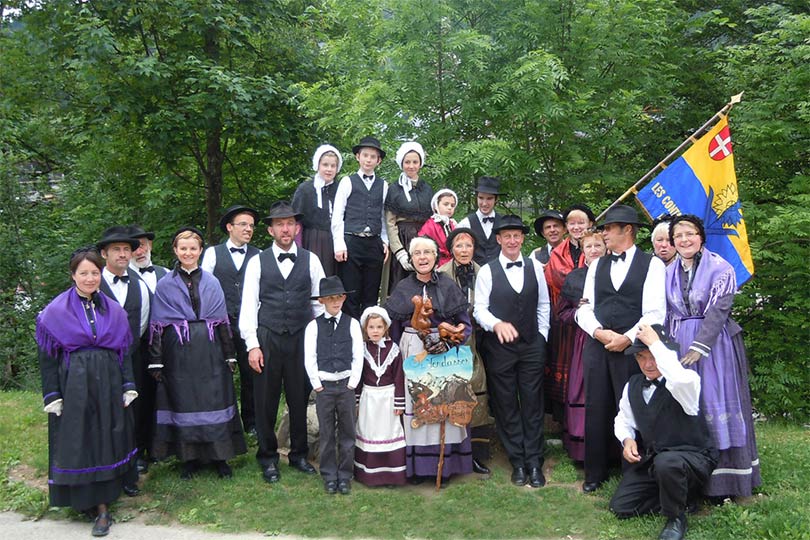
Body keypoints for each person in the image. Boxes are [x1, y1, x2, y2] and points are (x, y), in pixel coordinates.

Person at [37, 247, 138, 537]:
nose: (90, 278)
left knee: (105, 438)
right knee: (81, 441)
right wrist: (52, 394)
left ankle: (103, 507)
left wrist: (127, 384)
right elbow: (48, 357)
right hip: (74, 386)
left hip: (107, 383)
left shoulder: (112, 309)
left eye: (95, 272)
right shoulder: (55, 311)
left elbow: (123, 351)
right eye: (84, 273)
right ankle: (83, 500)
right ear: (73, 275)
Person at [665, 214, 760, 498]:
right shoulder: (667, 271)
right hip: (679, 341)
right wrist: (669, 347)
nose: (684, 239)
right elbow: (666, 311)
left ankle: (726, 482)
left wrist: (699, 346)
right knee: (688, 404)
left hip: (713, 344)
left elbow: (719, 311)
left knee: (714, 400)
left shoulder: (720, 267)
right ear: (673, 242)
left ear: (701, 237)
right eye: (679, 236)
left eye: (690, 233)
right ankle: (692, 477)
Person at [576, 204, 666, 493]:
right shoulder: (597, 264)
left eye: (608, 229)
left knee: (633, 407)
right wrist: (600, 333)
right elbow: (584, 308)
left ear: (627, 230)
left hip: (633, 349)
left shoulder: (651, 264)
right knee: (597, 406)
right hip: (597, 347)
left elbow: (655, 312)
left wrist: (626, 338)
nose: (603, 234)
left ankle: (635, 471)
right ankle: (595, 472)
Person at [149, 227, 246, 480]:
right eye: (183, 248)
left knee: (214, 400)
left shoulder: (213, 282)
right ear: (175, 251)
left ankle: (220, 457)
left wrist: (230, 354)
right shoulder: (164, 285)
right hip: (178, 354)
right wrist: (156, 362)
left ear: (200, 251)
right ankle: (189, 458)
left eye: (193, 248)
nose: (188, 252)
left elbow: (222, 322)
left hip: (211, 351)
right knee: (184, 401)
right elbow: (157, 326)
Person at [240, 201, 326, 483]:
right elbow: (249, 305)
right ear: (270, 230)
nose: (285, 228)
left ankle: (299, 454)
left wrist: (320, 337)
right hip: (268, 336)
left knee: (299, 398)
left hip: (301, 336)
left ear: (297, 228)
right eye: (280, 224)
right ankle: (268, 457)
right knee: (265, 400)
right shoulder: (257, 262)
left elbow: (319, 302)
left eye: (289, 223)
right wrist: (252, 344)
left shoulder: (311, 260)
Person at [610, 323, 718, 540]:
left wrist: (656, 344)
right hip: (657, 461)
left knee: (667, 463)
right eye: (641, 357)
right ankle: (682, 497)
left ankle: (676, 517)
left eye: (653, 356)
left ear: (665, 353)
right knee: (621, 506)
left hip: (692, 458)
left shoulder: (686, 381)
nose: (648, 364)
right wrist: (627, 439)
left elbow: (678, 378)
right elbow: (623, 419)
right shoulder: (633, 384)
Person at [385, 236, 472, 483]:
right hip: (413, 352)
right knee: (418, 407)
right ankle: (416, 469)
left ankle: (442, 468)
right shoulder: (402, 288)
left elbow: (465, 325)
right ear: (411, 259)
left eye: (427, 252)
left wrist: (450, 341)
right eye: (417, 254)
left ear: (436, 257)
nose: (422, 257)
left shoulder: (447, 285)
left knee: (441, 408)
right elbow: (393, 330)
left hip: (443, 354)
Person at [474, 215, 551, 488]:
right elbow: (479, 309)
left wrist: (542, 336)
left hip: (531, 345)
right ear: (498, 239)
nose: (512, 240)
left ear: (522, 239)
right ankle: (517, 460)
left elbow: (544, 305)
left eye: (517, 235)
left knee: (532, 403)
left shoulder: (535, 267)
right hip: (500, 349)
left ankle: (534, 461)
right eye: (507, 236)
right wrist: (496, 324)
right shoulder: (487, 271)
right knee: (506, 405)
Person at [97, 226, 150, 491]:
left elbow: (142, 321)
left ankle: (135, 458)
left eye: (126, 249)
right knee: (107, 412)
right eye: (116, 249)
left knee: (135, 410)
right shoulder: (93, 283)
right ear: (104, 253)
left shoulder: (139, 284)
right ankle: (108, 464)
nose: (122, 254)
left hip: (133, 356)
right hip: (101, 361)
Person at [201, 204, 261, 435]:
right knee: (219, 373)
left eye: (251, 226)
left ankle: (252, 423)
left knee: (251, 374)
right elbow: (204, 289)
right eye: (243, 224)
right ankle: (222, 421)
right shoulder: (213, 254)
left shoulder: (259, 255)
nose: (248, 229)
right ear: (229, 227)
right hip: (220, 326)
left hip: (249, 325)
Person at [438, 227, 494, 474]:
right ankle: (451, 454)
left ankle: (477, 455)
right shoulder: (440, 274)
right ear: (451, 249)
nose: (464, 250)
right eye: (459, 246)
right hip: (450, 342)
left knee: (478, 392)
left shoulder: (484, 273)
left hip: (480, 339)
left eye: (468, 246)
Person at [304, 276, 363, 495]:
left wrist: (353, 383)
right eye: (330, 299)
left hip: (346, 385)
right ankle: (329, 475)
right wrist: (317, 384)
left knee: (348, 433)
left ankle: (345, 475)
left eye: (339, 298)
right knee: (327, 433)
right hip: (325, 388)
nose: (335, 302)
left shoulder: (352, 324)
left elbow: (358, 355)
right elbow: (309, 357)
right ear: (322, 301)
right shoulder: (313, 327)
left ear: (344, 298)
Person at [557, 230, 606, 462]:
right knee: (583, 388)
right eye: (589, 246)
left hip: (612, 338)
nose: (594, 250)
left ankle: (612, 450)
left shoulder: (615, 273)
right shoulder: (575, 278)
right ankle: (582, 450)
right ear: (583, 250)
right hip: (583, 340)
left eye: (598, 245)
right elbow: (562, 313)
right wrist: (579, 310)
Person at [543, 205, 595, 423]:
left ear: (590, 224)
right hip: (563, 321)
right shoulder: (556, 254)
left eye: (581, 222)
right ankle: (564, 422)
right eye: (572, 223)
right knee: (564, 371)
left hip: (593, 322)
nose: (576, 227)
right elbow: (549, 285)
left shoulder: (597, 249)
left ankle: (590, 421)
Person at [331, 136, 389, 318]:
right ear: (358, 156)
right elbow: (338, 215)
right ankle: (352, 335)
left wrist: (384, 241)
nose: (369, 159)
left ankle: (369, 338)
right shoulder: (347, 182)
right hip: (351, 242)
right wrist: (339, 244)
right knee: (351, 292)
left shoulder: (384, 185)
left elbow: (383, 216)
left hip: (374, 243)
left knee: (371, 293)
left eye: (373, 156)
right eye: (365, 155)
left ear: (378, 160)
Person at [354, 306, 407, 487]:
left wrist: (399, 402)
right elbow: (358, 377)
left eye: (378, 327)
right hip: (369, 398)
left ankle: (392, 476)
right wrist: (357, 399)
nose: (375, 331)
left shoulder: (394, 349)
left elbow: (399, 377)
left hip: (388, 398)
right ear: (365, 329)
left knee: (389, 432)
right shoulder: (361, 349)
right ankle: (367, 474)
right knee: (369, 432)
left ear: (385, 328)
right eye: (371, 327)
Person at [385, 141, 434, 289]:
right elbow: (390, 223)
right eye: (407, 162)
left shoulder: (427, 189)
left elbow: (432, 220)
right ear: (401, 163)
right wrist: (399, 252)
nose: (411, 166)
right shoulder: (394, 189)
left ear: (420, 164)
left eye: (415, 162)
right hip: (403, 240)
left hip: (422, 239)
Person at [293, 144, 343, 277]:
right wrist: (297, 248)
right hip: (311, 241)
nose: (329, 169)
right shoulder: (305, 189)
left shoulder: (341, 189)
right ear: (317, 165)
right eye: (325, 165)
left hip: (336, 242)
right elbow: (296, 221)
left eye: (333, 166)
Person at [457, 176, 505, 265]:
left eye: (489, 198)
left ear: (496, 199)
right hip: (473, 275)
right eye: (481, 198)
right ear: (476, 197)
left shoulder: (504, 223)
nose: (484, 203)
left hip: (499, 274)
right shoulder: (465, 224)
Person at [417, 188, 458, 267]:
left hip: (453, 263)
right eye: (446, 204)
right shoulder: (430, 225)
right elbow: (422, 245)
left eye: (452, 205)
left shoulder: (453, 225)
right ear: (436, 206)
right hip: (437, 264)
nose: (449, 207)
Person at [128, 225, 169, 294]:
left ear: (150, 245)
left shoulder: (167, 273)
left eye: (142, 245)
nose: (139, 252)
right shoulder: (122, 278)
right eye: (133, 248)